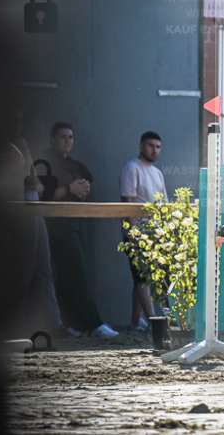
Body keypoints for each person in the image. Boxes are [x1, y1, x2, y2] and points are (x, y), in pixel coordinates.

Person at [41, 122, 119, 339]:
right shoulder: (45, 161)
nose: (67, 141)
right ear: (52, 138)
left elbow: (85, 185)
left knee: (72, 274)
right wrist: (69, 189)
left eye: (71, 137)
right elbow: (43, 196)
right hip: (57, 224)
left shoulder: (75, 164)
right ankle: (92, 324)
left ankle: (71, 324)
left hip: (77, 222)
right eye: (63, 136)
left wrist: (83, 190)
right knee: (74, 273)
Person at [120, 131, 167, 335]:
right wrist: (133, 233)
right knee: (141, 278)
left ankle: (135, 322)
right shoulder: (131, 168)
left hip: (155, 235)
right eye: (150, 146)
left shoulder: (157, 173)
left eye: (157, 147)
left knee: (143, 279)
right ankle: (153, 322)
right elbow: (127, 203)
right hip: (137, 234)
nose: (154, 150)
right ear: (141, 146)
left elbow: (163, 205)